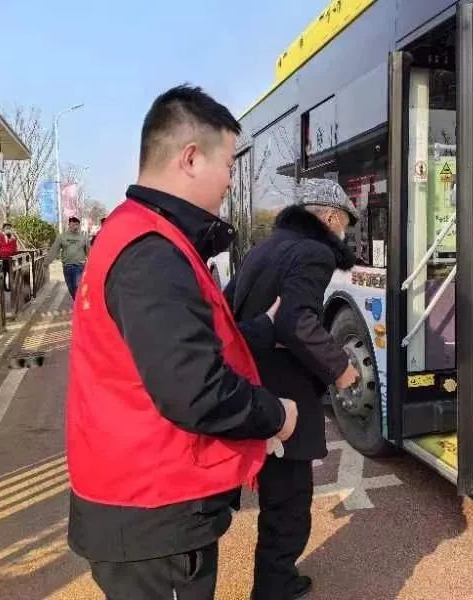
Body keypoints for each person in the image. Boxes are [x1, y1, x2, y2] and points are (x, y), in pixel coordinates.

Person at [65, 84, 298, 600]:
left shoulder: (139, 233)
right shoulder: (152, 252)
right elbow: (194, 388)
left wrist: (262, 327)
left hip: (141, 500)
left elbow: (187, 342)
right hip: (153, 511)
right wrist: (276, 415)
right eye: (229, 165)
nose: (231, 182)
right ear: (191, 158)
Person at [225, 178, 361, 600]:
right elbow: (296, 321)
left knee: (274, 493)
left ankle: (274, 580)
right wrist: (340, 367)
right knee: (289, 501)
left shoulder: (265, 248)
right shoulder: (314, 252)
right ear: (331, 217)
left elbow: (228, 311)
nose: (344, 232)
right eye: (345, 223)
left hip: (251, 383)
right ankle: (275, 585)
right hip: (284, 393)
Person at [45, 216, 89, 298]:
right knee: (71, 288)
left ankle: (78, 304)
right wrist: (46, 262)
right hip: (67, 267)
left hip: (79, 266)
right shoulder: (62, 237)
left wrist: (93, 264)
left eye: (77, 225)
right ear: (69, 225)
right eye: (73, 225)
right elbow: (54, 250)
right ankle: (77, 302)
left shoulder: (83, 237)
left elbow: (89, 252)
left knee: (77, 287)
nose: (75, 227)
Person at [0, 222, 21, 292]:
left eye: (9, 228)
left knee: (12, 273)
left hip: (12, 259)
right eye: (6, 228)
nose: (8, 229)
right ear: (3, 229)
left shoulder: (14, 238)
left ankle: (11, 287)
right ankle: (3, 288)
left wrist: (17, 256)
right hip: (2, 259)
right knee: (3, 274)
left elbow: (18, 248)